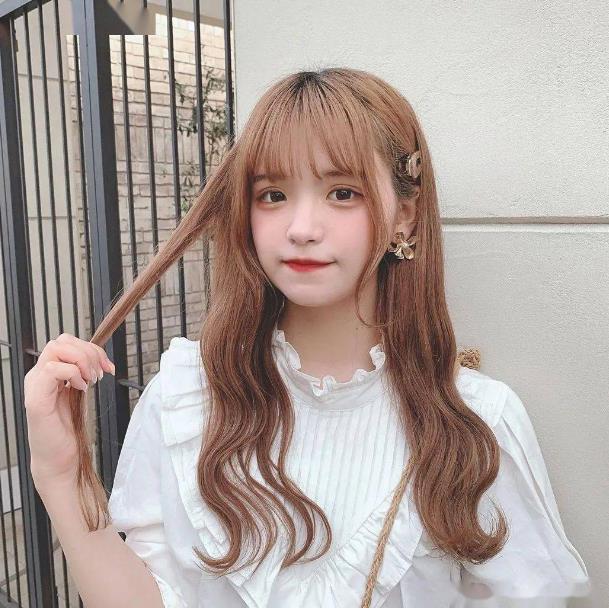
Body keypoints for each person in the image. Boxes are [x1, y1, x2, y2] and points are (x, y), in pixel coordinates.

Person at [25, 67, 591, 607]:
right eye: (272, 195)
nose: (300, 228)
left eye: (343, 192)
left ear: (405, 215)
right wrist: (60, 475)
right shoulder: (184, 396)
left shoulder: (476, 422)